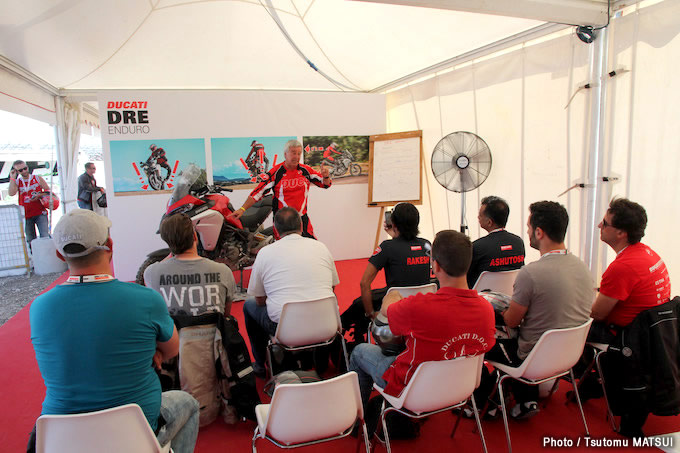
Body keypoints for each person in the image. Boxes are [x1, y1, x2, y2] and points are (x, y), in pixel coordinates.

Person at [28, 209, 199, 453]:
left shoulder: (39, 308)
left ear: (59, 253)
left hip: (62, 437)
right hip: (135, 433)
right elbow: (171, 350)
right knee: (188, 403)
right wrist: (149, 349)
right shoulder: (146, 299)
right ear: (109, 245)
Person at [349, 230, 496, 405]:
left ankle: (359, 414)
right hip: (461, 386)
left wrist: (392, 295)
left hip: (412, 389)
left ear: (436, 266)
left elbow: (386, 312)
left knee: (359, 352)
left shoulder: (419, 307)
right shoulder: (486, 309)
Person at [476, 201, 594, 419]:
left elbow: (511, 321)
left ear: (539, 232)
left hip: (531, 358)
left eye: (529, 227)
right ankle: (522, 399)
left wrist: (497, 308)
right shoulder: (582, 267)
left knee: (477, 338)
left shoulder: (531, 273)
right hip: (568, 356)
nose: (528, 232)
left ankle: (487, 402)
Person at [588, 198, 671, 437]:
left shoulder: (622, 267)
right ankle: (595, 382)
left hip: (629, 338)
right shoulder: (648, 254)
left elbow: (597, 313)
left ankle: (593, 382)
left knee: (570, 328)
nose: (599, 226)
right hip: (655, 334)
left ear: (621, 233)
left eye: (605, 223)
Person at [243, 207, 339, 376]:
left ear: (275, 229)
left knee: (249, 305)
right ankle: (317, 358)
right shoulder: (321, 247)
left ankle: (259, 364)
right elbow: (332, 288)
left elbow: (259, 300)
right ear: (301, 226)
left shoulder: (265, 253)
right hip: (327, 324)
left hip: (286, 330)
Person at [340, 202, 432, 344]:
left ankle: (346, 338)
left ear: (393, 223)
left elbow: (364, 283)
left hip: (395, 307)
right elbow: (407, 249)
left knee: (358, 304)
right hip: (422, 307)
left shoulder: (387, 247)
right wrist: (397, 235)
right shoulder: (427, 245)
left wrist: (371, 314)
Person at [229, 139, 331, 238]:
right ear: (285, 154)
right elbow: (258, 192)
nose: (296, 157)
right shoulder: (276, 172)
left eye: (299, 153)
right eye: (293, 153)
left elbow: (325, 184)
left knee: (311, 245)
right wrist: (242, 209)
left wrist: (326, 177)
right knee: (285, 248)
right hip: (283, 221)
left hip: (301, 219)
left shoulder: (306, 170)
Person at [144, 213, 237, 316]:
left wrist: (172, 251)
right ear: (195, 236)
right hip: (214, 327)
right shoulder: (224, 271)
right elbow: (226, 315)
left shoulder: (151, 273)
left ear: (167, 241)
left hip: (172, 327)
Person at [467, 196, 525, 289]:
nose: (478, 217)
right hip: (512, 294)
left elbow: (465, 277)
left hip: (483, 296)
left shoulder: (477, 247)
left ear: (489, 222)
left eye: (480, 215)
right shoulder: (518, 243)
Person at [8, 160, 51, 247]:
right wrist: (12, 178)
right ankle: (34, 254)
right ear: (17, 172)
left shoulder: (37, 178)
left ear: (27, 167)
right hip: (26, 215)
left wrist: (39, 195)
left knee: (45, 237)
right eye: (21, 170)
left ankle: (46, 252)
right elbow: (11, 193)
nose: (24, 171)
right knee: (31, 240)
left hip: (40, 213)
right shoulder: (17, 182)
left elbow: (48, 191)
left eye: (25, 168)